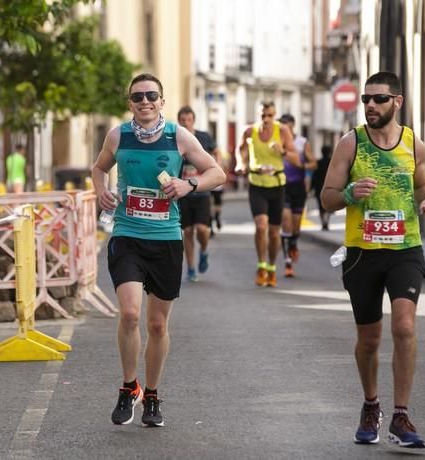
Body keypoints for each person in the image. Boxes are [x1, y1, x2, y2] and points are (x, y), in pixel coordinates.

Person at [92, 73, 225, 427]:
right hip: (127, 234)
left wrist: (189, 183)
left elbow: (218, 173)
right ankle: (128, 386)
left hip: (166, 238)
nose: (145, 101)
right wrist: (100, 190)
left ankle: (151, 393)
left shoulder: (178, 136)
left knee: (156, 323)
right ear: (130, 103)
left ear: (162, 102)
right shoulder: (118, 135)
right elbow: (98, 168)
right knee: (131, 314)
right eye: (138, 97)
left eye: (152, 95)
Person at [320, 71, 425, 449]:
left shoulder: (413, 144)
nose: (371, 105)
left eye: (379, 99)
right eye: (366, 99)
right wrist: (351, 193)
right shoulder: (349, 144)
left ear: (397, 102)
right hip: (362, 254)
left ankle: (401, 416)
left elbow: (423, 182)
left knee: (403, 327)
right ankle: (371, 405)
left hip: (405, 249)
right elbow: (327, 196)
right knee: (369, 339)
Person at [236, 102, 300, 287]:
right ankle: (261, 265)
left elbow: (296, 159)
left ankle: (272, 267)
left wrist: (283, 151)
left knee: (274, 233)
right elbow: (240, 150)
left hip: (277, 186)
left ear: (275, 115)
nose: (266, 119)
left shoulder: (283, 131)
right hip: (256, 184)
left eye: (270, 115)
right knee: (261, 225)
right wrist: (241, 163)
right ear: (257, 114)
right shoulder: (249, 131)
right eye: (263, 115)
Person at [177, 105, 221, 282]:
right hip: (183, 192)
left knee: (202, 230)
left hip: (201, 191)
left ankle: (203, 250)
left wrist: (215, 170)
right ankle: (191, 268)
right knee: (187, 231)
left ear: (193, 120)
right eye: (182, 120)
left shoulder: (203, 137)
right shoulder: (175, 139)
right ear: (179, 121)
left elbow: (216, 152)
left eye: (188, 120)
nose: (186, 123)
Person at [278, 114, 317, 278]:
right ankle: (287, 260)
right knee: (285, 221)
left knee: (295, 225)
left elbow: (314, 163)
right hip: (281, 186)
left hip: (298, 187)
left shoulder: (302, 143)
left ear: (293, 126)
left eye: (287, 126)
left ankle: (293, 243)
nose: (284, 130)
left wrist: (302, 164)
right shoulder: (275, 143)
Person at [312, 145, 333, 230]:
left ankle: (323, 222)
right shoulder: (332, 162)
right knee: (328, 206)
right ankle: (326, 221)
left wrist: (311, 187)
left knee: (320, 206)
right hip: (330, 186)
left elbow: (314, 176)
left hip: (319, 186)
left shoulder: (318, 163)